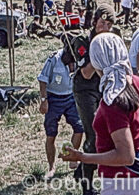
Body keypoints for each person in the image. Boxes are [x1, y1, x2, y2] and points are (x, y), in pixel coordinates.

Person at [60, 33, 139, 195]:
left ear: (96, 62)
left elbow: (125, 156)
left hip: (120, 184)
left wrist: (82, 157)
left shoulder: (112, 100)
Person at [59, 5, 117, 195]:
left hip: (104, 87)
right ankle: (87, 186)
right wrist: (99, 52)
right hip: (85, 89)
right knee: (93, 134)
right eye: (102, 23)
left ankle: (82, 170)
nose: (105, 28)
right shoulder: (83, 41)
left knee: (109, 132)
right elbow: (85, 72)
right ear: (94, 22)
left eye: (109, 25)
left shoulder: (110, 39)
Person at [37, 48, 84, 179]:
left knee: (79, 128)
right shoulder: (53, 59)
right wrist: (43, 100)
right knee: (51, 134)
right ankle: (51, 167)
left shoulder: (79, 58)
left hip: (71, 97)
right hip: (53, 99)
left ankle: (73, 158)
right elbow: (42, 79)